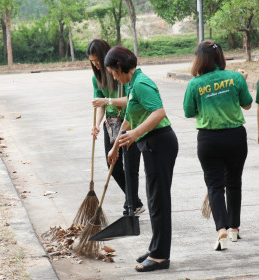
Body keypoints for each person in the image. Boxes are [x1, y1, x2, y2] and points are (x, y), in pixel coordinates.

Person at [106, 46, 178, 272]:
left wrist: (135, 134)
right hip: (151, 143)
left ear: (119, 66)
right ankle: (155, 247)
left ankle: (160, 256)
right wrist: (115, 145)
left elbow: (159, 112)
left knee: (159, 200)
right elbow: (129, 117)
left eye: (112, 72)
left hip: (160, 142)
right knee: (153, 198)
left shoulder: (141, 83)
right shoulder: (132, 83)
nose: (113, 76)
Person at [183, 40, 252, 251]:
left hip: (208, 140)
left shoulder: (195, 83)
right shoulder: (235, 77)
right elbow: (247, 104)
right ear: (220, 56)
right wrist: (242, 80)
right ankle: (234, 229)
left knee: (214, 185)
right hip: (235, 137)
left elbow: (188, 112)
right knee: (234, 182)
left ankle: (220, 228)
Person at [86, 39, 144, 215]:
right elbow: (100, 105)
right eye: (92, 62)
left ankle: (131, 206)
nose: (96, 65)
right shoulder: (97, 78)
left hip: (129, 122)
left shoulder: (124, 74)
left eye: (97, 61)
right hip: (110, 124)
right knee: (114, 165)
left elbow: (131, 101)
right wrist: (96, 125)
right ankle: (134, 201)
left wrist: (107, 100)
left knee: (131, 167)